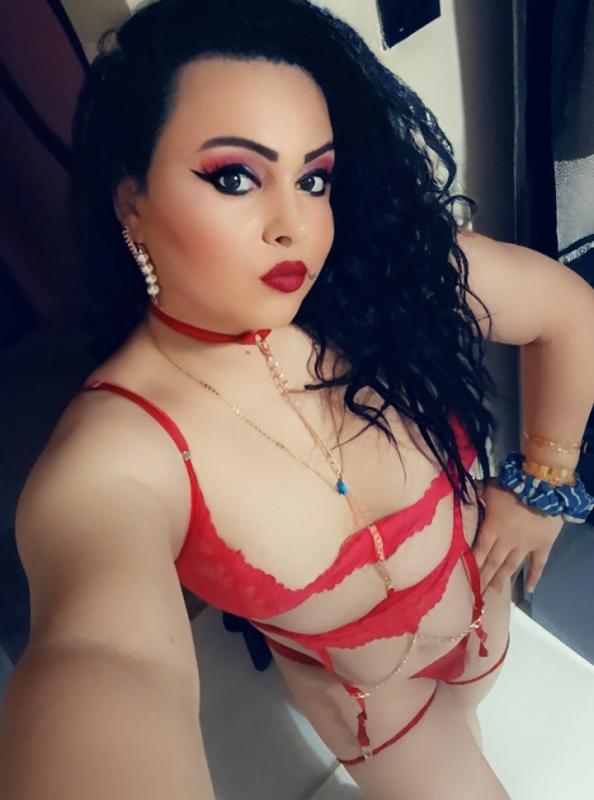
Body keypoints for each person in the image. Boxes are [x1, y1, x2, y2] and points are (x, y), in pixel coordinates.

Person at [1, 1, 593, 798]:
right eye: (235, 177)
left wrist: (544, 484)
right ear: (130, 202)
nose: (295, 225)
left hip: (492, 635)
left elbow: (568, 312)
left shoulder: (377, 283)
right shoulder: (119, 453)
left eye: (313, 179)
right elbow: (102, 657)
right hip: (385, 718)